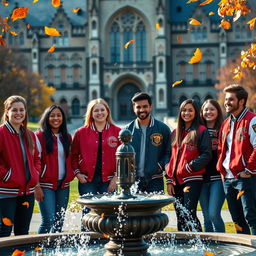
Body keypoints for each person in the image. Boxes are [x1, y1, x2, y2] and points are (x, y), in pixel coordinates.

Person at [71, 98, 121, 227]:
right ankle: (86, 244)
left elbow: (124, 159)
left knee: (110, 215)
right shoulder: (81, 133)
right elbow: (73, 156)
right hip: (87, 180)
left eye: (102, 110)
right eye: (96, 110)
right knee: (88, 215)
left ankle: (109, 244)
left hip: (109, 180)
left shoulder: (117, 132)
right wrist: (78, 174)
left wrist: (116, 179)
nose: (100, 113)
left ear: (107, 111)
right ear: (91, 113)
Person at [166, 99, 211, 232]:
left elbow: (206, 155)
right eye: (184, 110)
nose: (186, 113)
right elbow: (169, 157)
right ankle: (183, 245)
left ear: (196, 112)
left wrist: (189, 167)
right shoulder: (175, 132)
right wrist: (169, 179)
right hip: (175, 181)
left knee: (189, 213)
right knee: (180, 215)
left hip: (192, 179)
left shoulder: (201, 130)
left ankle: (199, 244)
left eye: (190, 110)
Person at [217, 84, 256, 235]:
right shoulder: (226, 123)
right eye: (226, 99)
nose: (226, 102)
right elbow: (222, 149)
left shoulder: (252, 120)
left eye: (230, 99)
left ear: (241, 101)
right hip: (227, 178)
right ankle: (245, 251)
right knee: (236, 219)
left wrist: (248, 170)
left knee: (251, 217)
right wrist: (222, 171)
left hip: (245, 177)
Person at [0, 95, 40, 237]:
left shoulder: (30, 135)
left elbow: (37, 159)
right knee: (4, 232)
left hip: (27, 193)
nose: (18, 113)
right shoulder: (1, 133)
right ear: (7, 112)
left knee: (22, 233)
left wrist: (35, 174)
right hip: (6, 193)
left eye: (21, 110)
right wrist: (8, 175)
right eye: (14, 110)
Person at [35, 105, 74, 233]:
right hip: (45, 185)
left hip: (63, 185)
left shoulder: (67, 137)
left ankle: (54, 251)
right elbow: (35, 162)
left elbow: (72, 159)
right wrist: (36, 186)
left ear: (63, 118)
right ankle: (39, 250)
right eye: (52, 115)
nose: (55, 118)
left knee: (59, 222)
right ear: (47, 118)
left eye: (59, 115)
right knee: (48, 220)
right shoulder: (39, 136)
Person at [125, 92, 171, 193]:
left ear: (150, 107)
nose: (142, 110)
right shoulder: (127, 130)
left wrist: (160, 166)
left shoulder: (163, 129)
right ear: (134, 108)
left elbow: (168, 153)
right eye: (138, 107)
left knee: (155, 209)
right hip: (133, 181)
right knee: (135, 209)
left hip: (155, 180)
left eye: (145, 106)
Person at [199, 99, 225, 232]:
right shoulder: (197, 130)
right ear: (202, 112)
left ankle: (223, 244)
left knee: (213, 214)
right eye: (206, 109)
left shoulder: (224, 128)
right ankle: (210, 248)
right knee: (206, 217)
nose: (208, 112)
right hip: (201, 179)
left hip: (218, 178)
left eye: (212, 109)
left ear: (217, 111)